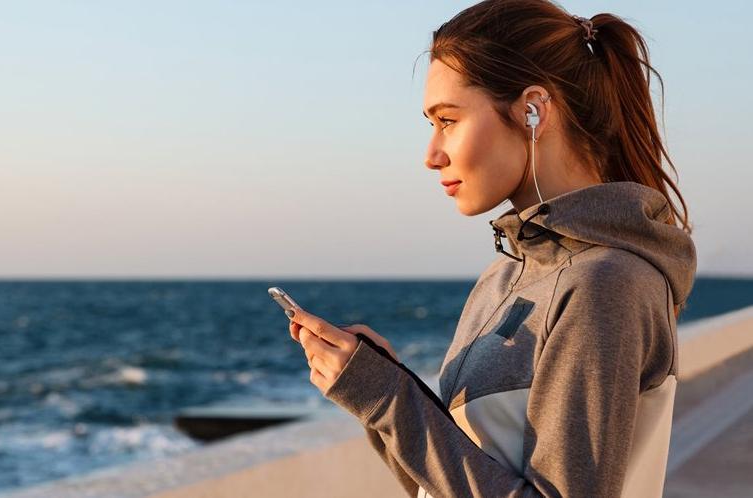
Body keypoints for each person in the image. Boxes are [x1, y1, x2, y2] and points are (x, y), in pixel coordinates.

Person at [286, 1, 697, 496]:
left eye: (448, 120)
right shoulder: (501, 279)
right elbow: (448, 483)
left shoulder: (605, 284)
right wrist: (381, 389)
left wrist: (391, 398)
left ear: (532, 111)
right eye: (430, 124)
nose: (431, 155)